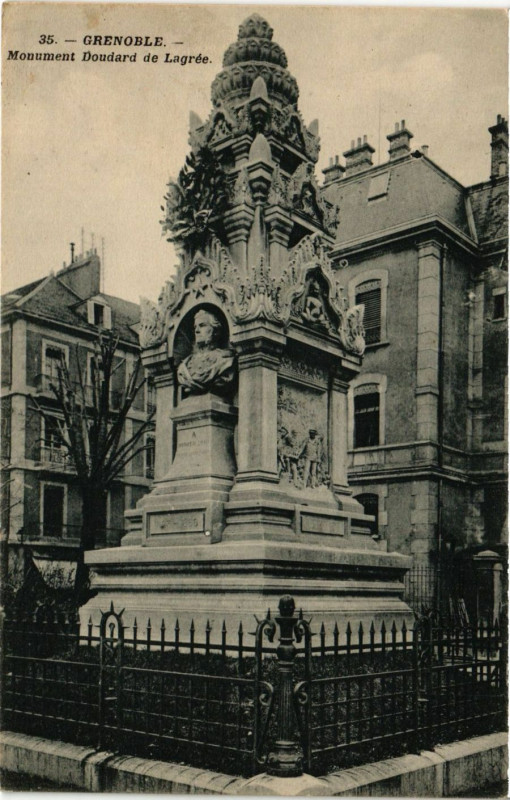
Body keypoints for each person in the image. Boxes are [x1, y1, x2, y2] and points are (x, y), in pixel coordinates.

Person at [177, 309, 234, 396]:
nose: (197, 331)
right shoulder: (184, 367)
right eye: (195, 327)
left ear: (215, 331)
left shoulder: (225, 360)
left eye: (202, 325)